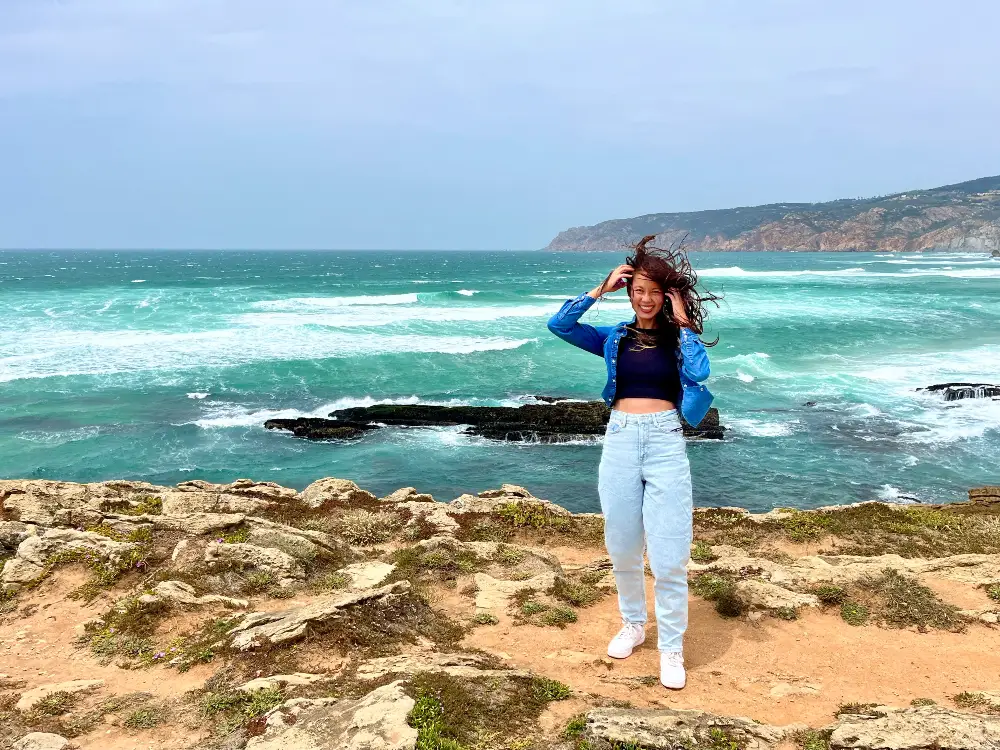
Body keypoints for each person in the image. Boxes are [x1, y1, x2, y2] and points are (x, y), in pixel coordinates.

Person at [546, 235, 717, 690]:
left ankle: (671, 647)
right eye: (637, 290)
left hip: (665, 441)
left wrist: (682, 323)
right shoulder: (614, 337)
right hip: (620, 438)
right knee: (621, 544)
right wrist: (597, 291)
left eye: (653, 292)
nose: (644, 299)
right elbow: (559, 326)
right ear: (629, 291)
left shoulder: (678, 339)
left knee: (669, 554)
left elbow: (699, 374)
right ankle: (634, 624)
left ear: (666, 296)